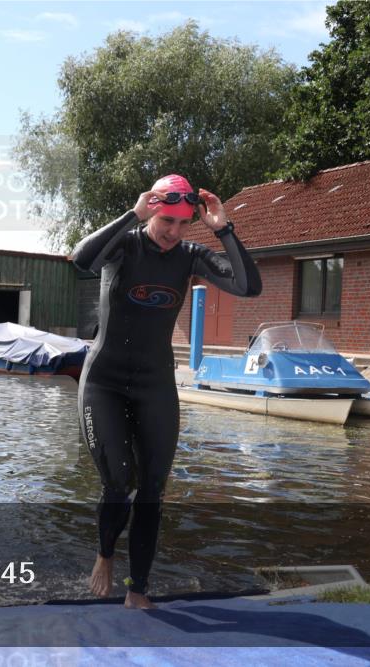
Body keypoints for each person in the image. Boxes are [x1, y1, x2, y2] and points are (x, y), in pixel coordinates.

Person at [71, 174, 262, 609]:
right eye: (166, 221)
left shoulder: (191, 256)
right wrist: (133, 215)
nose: (174, 232)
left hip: (154, 383)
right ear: (152, 211)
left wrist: (223, 229)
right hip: (104, 382)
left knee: (153, 488)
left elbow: (249, 286)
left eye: (182, 223)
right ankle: (105, 554)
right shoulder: (124, 245)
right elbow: (83, 260)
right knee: (119, 480)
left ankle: (137, 588)